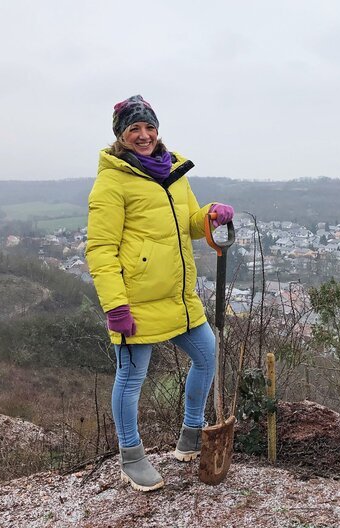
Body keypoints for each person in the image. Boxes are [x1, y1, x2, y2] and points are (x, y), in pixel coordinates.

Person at [86, 95, 234, 492]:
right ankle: (131, 457)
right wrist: (115, 305)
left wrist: (209, 215)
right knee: (132, 377)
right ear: (121, 134)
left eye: (149, 126)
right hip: (136, 300)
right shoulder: (112, 181)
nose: (144, 134)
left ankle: (190, 434)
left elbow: (186, 223)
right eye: (134, 128)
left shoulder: (173, 171)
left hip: (179, 297)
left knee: (207, 355)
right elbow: (100, 248)